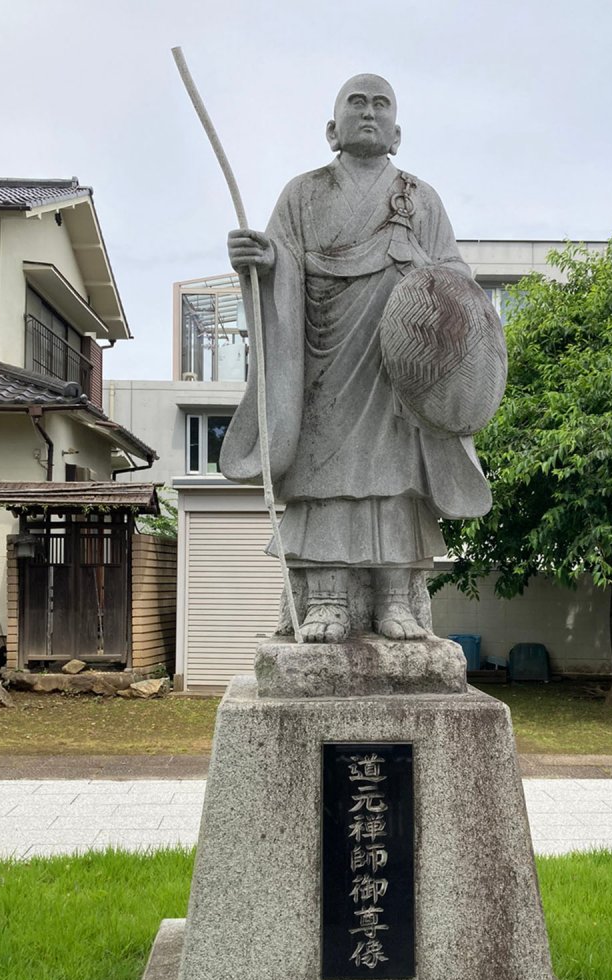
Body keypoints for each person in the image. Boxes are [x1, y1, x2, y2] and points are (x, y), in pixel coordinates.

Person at [221, 74, 497, 643]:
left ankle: (395, 599)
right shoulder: (302, 194)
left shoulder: (422, 199)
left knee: (397, 482)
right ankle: (326, 599)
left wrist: (423, 284)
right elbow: (279, 261)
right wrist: (263, 262)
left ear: (397, 133)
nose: (369, 112)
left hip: (398, 367)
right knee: (324, 475)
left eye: (380, 105)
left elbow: (456, 274)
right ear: (332, 130)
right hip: (324, 361)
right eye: (357, 103)